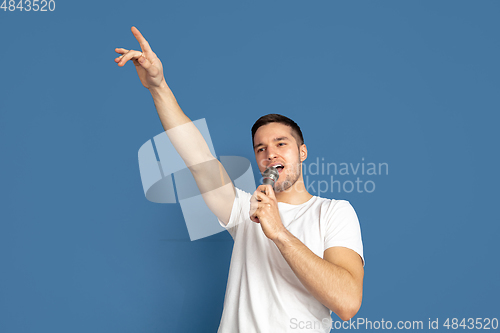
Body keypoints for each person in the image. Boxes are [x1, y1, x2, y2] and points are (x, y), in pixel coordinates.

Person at [115, 26, 364, 333]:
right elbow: (198, 159)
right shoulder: (246, 210)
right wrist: (158, 86)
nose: (270, 154)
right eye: (261, 148)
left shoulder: (334, 212)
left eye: (281, 144)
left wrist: (280, 234)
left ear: (302, 152)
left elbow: (347, 303)